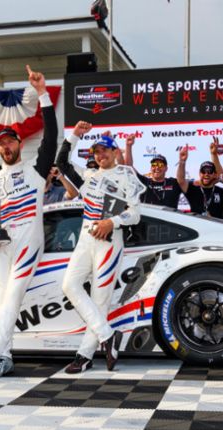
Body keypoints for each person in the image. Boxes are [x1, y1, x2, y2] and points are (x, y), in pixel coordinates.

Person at [0, 65, 57, 379]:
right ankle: (4, 357)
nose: (6, 147)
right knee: (3, 304)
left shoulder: (36, 172)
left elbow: (51, 137)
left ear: (19, 145)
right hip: (0, 248)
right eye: (1, 143)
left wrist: (43, 94)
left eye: (11, 142)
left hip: (27, 243)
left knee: (11, 298)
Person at [55, 122, 141, 373]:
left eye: (105, 151)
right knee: (69, 285)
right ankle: (107, 335)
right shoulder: (88, 175)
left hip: (109, 240)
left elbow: (135, 214)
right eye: (96, 152)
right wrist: (75, 135)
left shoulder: (127, 175)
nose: (100, 155)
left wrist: (111, 222)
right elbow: (62, 163)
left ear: (115, 152)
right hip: (85, 238)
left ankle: (84, 356)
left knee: (99, 299)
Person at [124, 135, 184, 208]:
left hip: (168, 219)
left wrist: (182, 161)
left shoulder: (173, 183)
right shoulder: (143, 182)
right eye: (154, 164)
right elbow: (128, 167)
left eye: (160, 164)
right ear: (151, 168)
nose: (157, 167)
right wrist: (128, 146)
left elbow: (182, 180)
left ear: (166, 168)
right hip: (148, 219)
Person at [176, 146, 223, 219]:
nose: (206, 174)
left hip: (216, 228)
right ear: (199, 174)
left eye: (210, 171)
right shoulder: (193, 188)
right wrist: (182, 161)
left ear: (215, 174)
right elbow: (181, 180)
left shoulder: (222, 192)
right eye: (203, 171)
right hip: (196, 227)